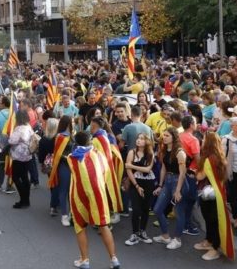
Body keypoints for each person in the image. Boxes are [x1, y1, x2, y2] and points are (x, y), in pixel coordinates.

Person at [69, 131, 121, 269]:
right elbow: (105, 172)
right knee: (104, 226)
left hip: (79, 194)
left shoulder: (71, 158)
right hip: (98, 193)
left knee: (80, 226)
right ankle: (114, 259)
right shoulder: (98, 154)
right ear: (90, 141)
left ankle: (85, 260)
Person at [195, 132, 235, 261]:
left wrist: (196, 170)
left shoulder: (208, 159)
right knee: (212, 220)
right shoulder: (220, 156)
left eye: (204, 139)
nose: (202, 141)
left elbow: (200, 176)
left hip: (209, 195)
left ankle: (215, 248)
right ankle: (209, 241)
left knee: (212, 221)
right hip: (218, 193)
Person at [153, 127, 189, 250]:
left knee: (179, 212)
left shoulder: (180, 152)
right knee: (157, 209)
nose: (164, 137)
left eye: (167, 135)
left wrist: (178, 190)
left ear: (174, 137)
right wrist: (160, 185)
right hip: (168, 181)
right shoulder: (164, 150)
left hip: (178, 181)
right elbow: (163, 168)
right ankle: (165, 236)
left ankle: (177, 239)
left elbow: (183, 173)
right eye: (164, 135)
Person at [124, 133, 156, 246]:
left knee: (145, 209)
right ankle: (134, 234)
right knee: (136, 209)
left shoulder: (150, 153)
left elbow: (147, 169)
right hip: (135, 183)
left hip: (148, 183)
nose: (138, 140)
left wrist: (132, 166)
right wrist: (137, 186)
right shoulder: (132, 152)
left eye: (142, 139)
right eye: (138, 138)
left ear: (147, 141)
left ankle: (142, 232)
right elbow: (128, 171)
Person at [48, 115, 74, 227]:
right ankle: (64, 215)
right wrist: (70, 157)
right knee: (63, 190)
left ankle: (71, 214)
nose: (74, 122)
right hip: (64, 166)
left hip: (73, 166)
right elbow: (58, 154)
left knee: (71, 191)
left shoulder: (71, 135)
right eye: (72, 121)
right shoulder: (60, 137)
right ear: (68, 123)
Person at [8, 110, 34, 209]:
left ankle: (23, 199)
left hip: (18, 156)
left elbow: (12, 140)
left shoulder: (19, 129)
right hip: (28, 155)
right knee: (25, 178)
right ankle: (26, 200)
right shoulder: (28, 127)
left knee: (15, 177)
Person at [179, 116, 201, 236]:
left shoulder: (179, 136)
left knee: (182, 199)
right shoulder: (193, 140)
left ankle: (182, 223)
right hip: (190, 173)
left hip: (179, 171)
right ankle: (186, 225)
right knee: (190, 199)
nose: (197, 125)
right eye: (196, 123)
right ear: (191, 124)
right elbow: (197, 158)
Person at [0, 95, 14, 193]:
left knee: (2, 163)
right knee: (11, 163)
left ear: (4, 104)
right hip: (13, 141)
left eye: (0, 102)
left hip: (2, 141)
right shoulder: (14, 114)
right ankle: (9, 186)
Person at [39, 117, 60, 215]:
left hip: (48, 164)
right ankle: (54, 204)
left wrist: (41, 163)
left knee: (52, 182)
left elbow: (41, 154)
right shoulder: (59, 138)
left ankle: (54, 201)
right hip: (58, 162)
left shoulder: (44, 139)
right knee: (58, 183)